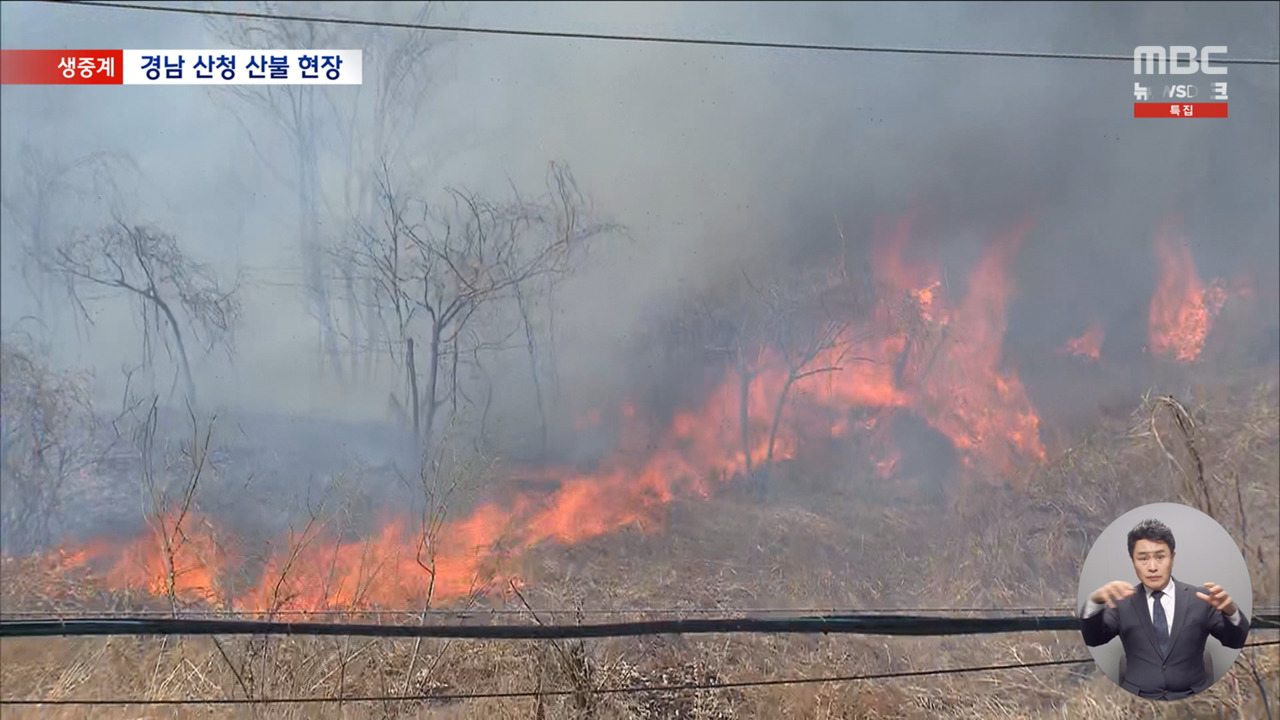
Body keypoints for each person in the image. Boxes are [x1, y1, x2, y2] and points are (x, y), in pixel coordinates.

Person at [1080, 518, 1250, 700]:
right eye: (1143, 559)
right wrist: (1094, 602)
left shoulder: (1201, 599)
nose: (1152, 567)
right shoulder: (1122, 602)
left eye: (1160, 557)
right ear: (1133, 561)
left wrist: (1231, 612)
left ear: (1172, 558)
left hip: (1195, 698)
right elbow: (1095, 639)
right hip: (1137, 701)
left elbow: (1235, 641)